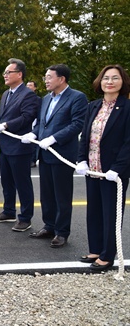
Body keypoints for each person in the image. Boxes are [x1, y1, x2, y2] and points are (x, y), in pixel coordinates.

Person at [21, 64, 87, 248]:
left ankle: (62, 232)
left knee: (62, 196)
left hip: (62, 152)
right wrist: (34, 133)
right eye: (45, 77)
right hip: (45, 153)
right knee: (47, 194)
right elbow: (41, 123)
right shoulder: (46, 99)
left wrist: (54, 138)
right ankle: (49, 226)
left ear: (61, 79)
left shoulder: (77, 97)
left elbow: (77, 124)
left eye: (49, 77)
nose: (46, 80)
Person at [76, 65, 130, 272]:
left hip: (113, 172)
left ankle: (108, 255)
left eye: (115, 78)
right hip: (93, 168)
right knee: (94, 211)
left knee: (111, 213)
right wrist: (81, 159)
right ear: (100, 81)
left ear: (122, 82)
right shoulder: (93, 106)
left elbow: (128, 142)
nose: (110, 81)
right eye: (106, 78)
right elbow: (85, 136)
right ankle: (95, 249)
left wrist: (117, 168)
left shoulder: (127, 107)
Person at [0, 58, 39, 232]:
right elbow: (2, 116)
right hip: (6, 145)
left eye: (9, 72)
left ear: (19, 74)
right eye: (5, 73)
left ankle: (25, 217)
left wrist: (7, 125)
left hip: (19, 146)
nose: (5, 75)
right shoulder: (7, 94)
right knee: (7, 182)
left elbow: (27, 116)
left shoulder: (28, 94)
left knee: (22, 183)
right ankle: (9, 211)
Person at [26, 80, 39, 168]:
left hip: (35, 122)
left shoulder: (38, 99)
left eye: (30, 85)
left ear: (35, 88)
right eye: (27, 85)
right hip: (26, 122)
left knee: (34, 142)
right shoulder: (24, 98)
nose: (28, 87)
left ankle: (33, 160)